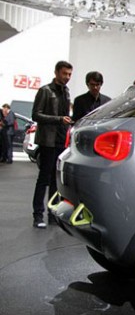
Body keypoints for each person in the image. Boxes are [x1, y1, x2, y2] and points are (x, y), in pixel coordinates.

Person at [31, 60, 73, 229]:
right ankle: (38, 215)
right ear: (56, 73)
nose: (67, 77)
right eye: (64, 73)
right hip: (47, 141)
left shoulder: (66, 92)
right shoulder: (45, 91)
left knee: (56, 180)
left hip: (61, 141)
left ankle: (53, 214)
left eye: (69, 74)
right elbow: (36, 115)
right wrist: (59, 119)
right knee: (44, 179)